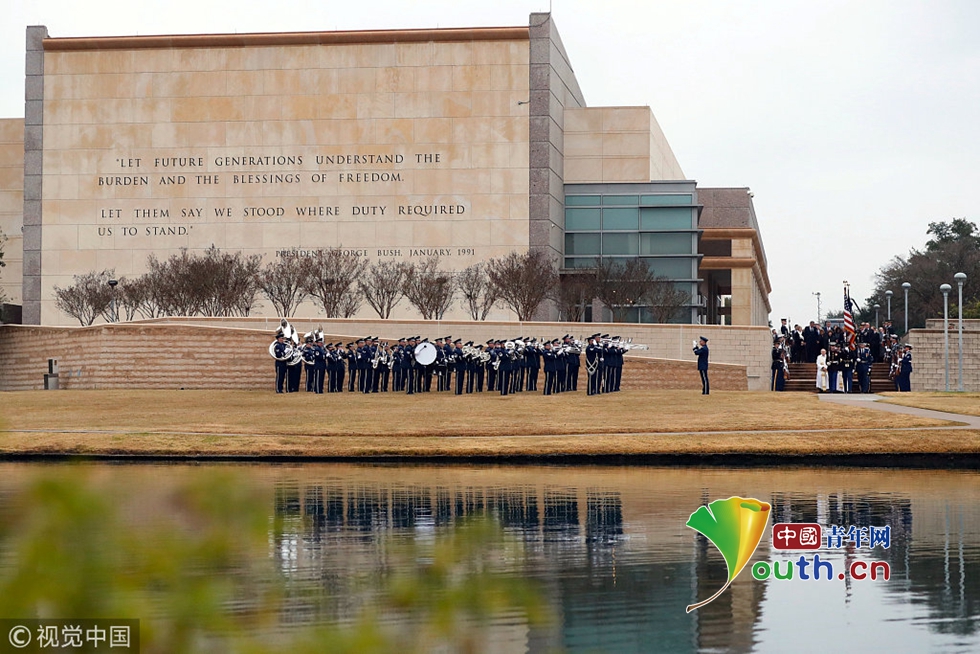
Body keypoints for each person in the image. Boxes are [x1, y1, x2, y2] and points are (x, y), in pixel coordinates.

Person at [273, 329, 289, 393]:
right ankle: (278, 389)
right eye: (281, 338)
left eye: (283, 338)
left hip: (284, 362)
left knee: (282, 376)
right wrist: (285, 352)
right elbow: (278, 355)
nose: (282, 339)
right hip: (279, 362)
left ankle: (281, 388)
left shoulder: (284, 345)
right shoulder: (277, 346)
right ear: (278, 339)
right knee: (279, 376)